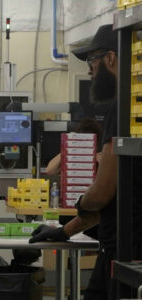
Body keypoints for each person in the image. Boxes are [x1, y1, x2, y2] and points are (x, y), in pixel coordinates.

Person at [29, 24, 142, 300]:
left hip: (123, 254)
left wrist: (81, 203)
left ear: (111, 58)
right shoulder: (134, 105)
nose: (90, 70)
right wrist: (63, 231)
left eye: (92, 60)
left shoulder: (123, 106)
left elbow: (102, 194)